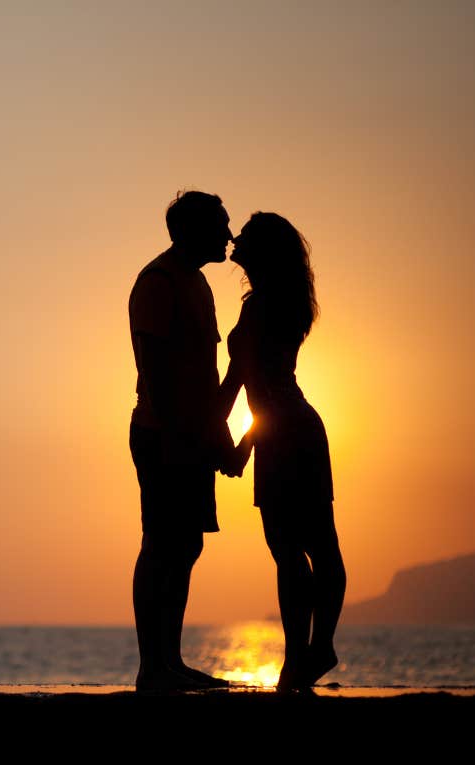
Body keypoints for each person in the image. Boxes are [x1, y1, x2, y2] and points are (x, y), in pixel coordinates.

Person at [217, 212, 347, 692]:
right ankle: (313, 651)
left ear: (266, 249)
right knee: (311, 546)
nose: (236, 239)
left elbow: (249, 385)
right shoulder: (283, 303)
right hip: (293, 429)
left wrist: (234, 441)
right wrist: (236, 440)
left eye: (246, 236)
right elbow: (253, 383)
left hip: (284, 432)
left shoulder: (262, 307)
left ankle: (303, 657)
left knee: (294, 550)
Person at [127, 190, 234, 691]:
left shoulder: (199, 285)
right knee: (160, 545)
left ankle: (171, 660)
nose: (229, 235)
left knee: (186, 545)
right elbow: (153, 370)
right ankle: (153, 667)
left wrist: (217, 437)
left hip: (192, 437)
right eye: (220, 225)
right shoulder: (159, 281)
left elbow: (207, 374)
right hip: (159, 433)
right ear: (191, 230)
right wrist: (173, 436)